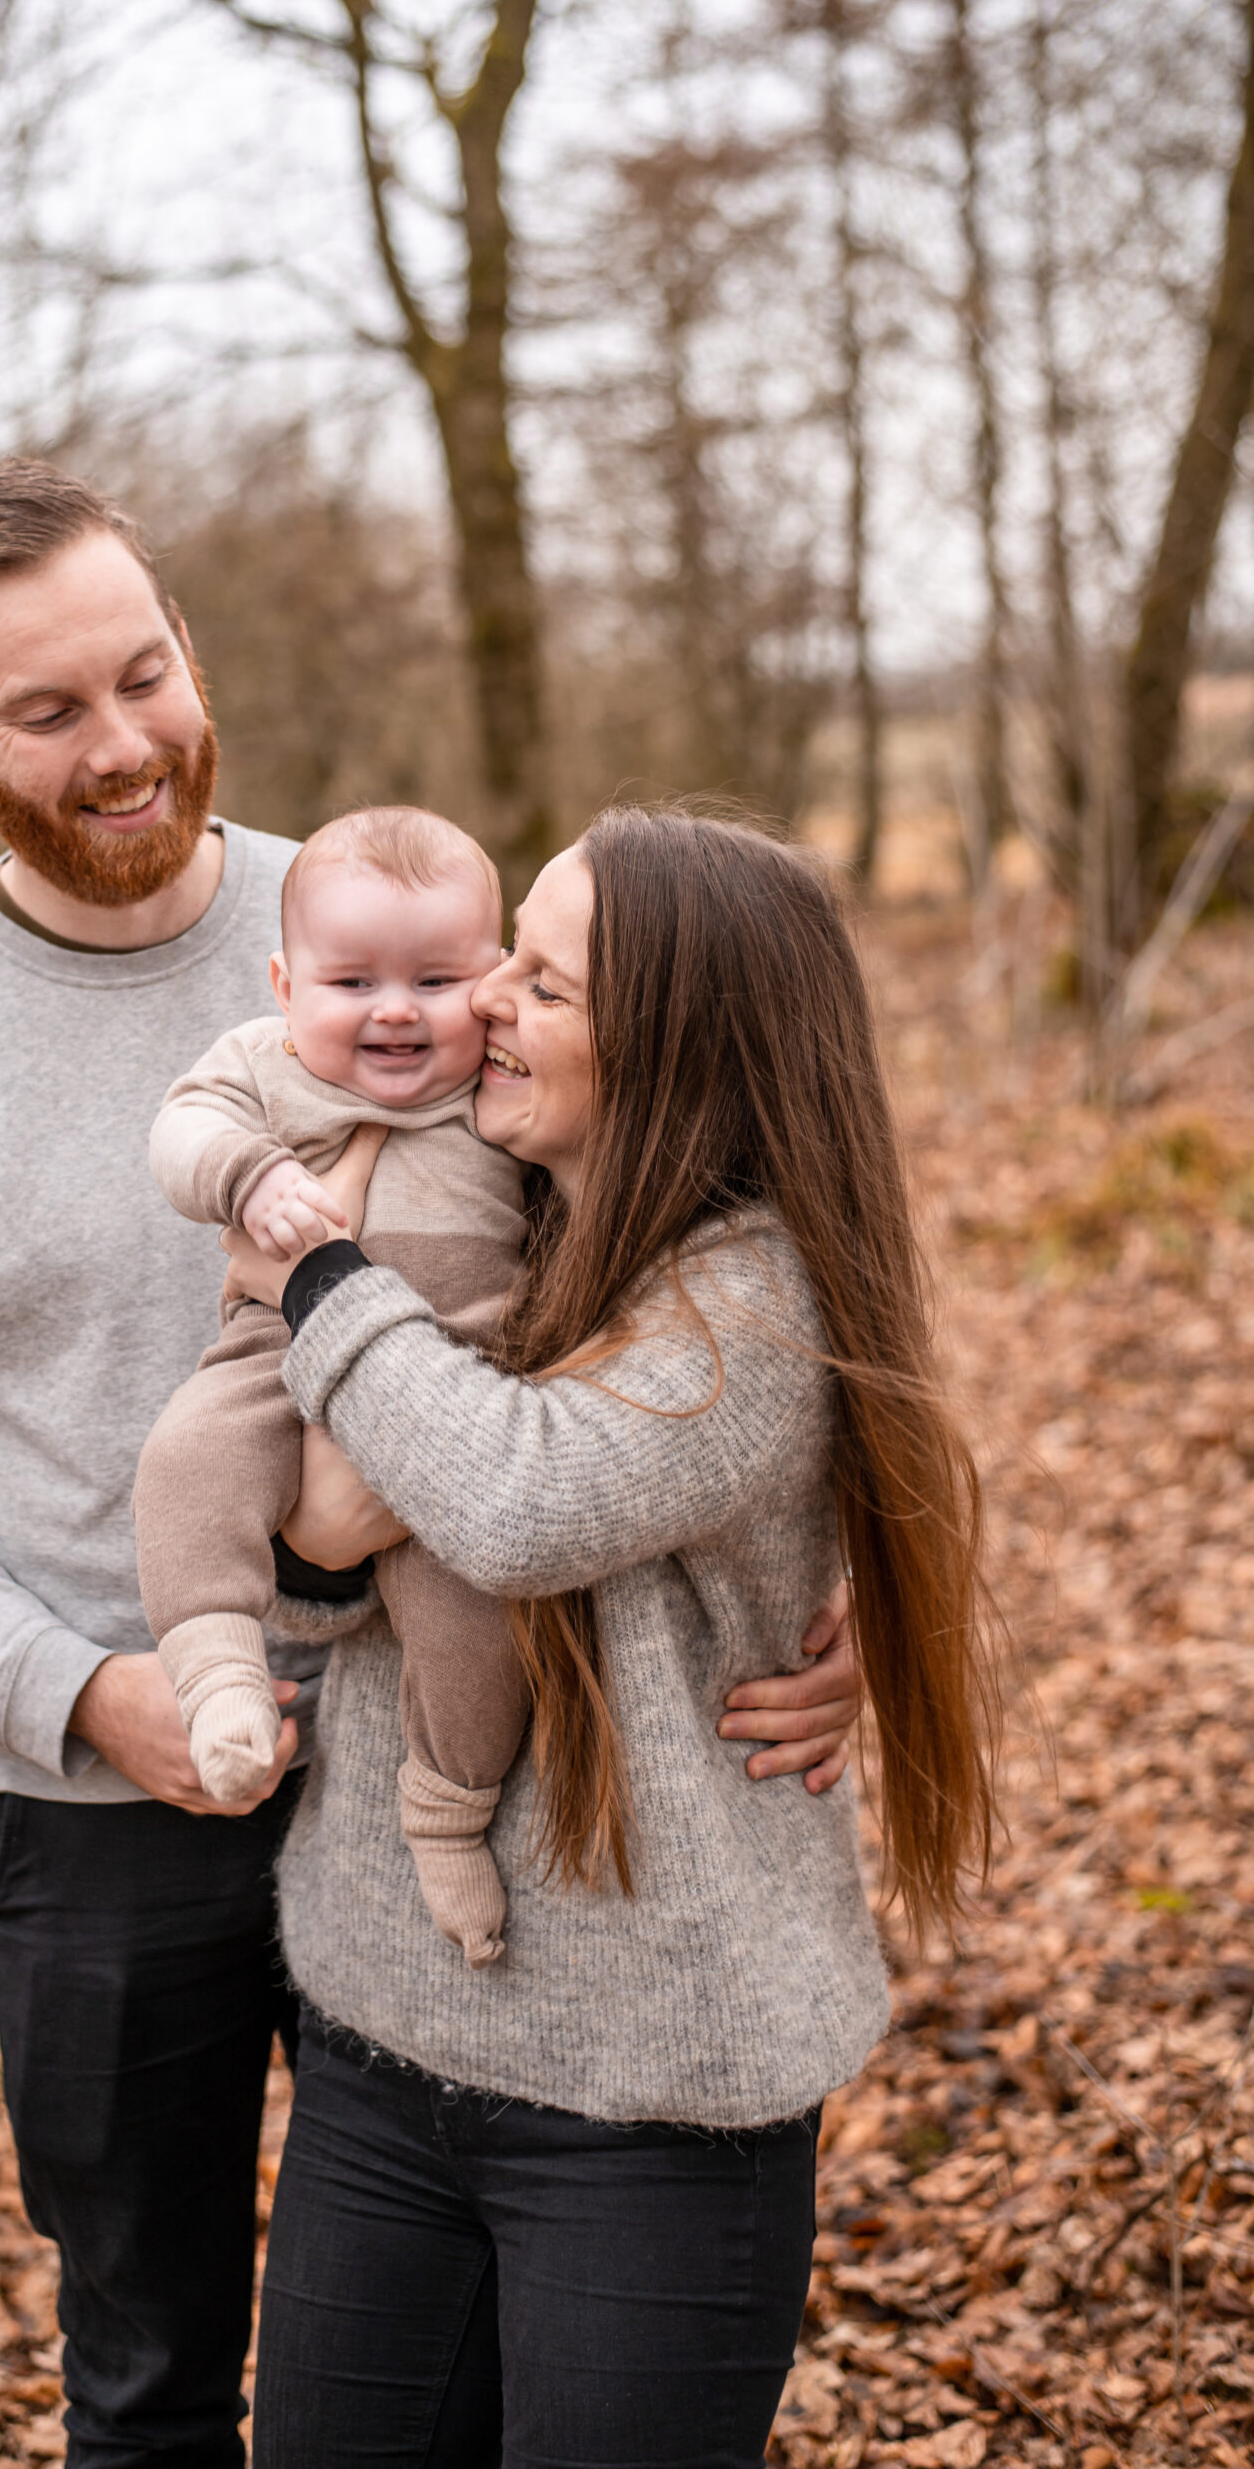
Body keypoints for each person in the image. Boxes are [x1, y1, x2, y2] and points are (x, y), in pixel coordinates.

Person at [0, 455, 863, 2469]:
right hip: (116, 1801)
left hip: (455, 1747)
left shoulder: (390, 914)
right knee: (153, 2376)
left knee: (453, 2339)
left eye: (141, 672)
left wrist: (808, 1577)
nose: (124, 743)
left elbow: (689, 1190)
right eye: (45, 711)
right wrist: (81, 1690)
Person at [220, 809, 1002, 2469]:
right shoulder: (497, 1217)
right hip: (381, 2040)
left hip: (649, 2109)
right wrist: (310, 1542)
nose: (480, 999)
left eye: (542, 982)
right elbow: (327, 1545)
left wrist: (318, 1281)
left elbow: (509, 1503)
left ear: (668, 1049)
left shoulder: (751, 1302)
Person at [137, 805, 534, 1967]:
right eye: (350, 979)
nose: (395, 1009)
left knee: (477, 1631)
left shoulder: (503, 1091)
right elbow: (180, 1130)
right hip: (280, 1353)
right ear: (282, 983)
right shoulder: (264, 1070)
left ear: (495, 979)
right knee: (185, 1461)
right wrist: (248, 1177)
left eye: (435, 976)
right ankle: (216, 1677)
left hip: (463, 1397)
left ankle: (449, 1810)